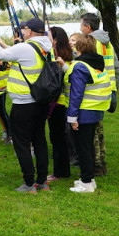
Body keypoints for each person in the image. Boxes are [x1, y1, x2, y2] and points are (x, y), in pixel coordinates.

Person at [0, 17, 53, 193]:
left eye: (23, 29)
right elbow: (12, 52)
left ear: (30, 31)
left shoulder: (25, 47)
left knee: (22, 143)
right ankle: (42, 181)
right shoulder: (46, 46)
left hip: (23, 103)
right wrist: (2, 43)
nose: (21, 32)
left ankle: (28, 182)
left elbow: (2, 55)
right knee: (39, 140)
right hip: (40, 102)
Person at [62, 33, 111, 193]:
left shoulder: (80, 66)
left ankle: (86, 182)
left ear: (79, 47)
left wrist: (72, 117)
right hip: (95, 110)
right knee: (88, 146)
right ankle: (89, 178)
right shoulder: (96, 63)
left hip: (83, 112)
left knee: (83, 147)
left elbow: (76, 94)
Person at [80, 12, 119, 177]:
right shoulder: (107, 42)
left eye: (81, 25)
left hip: (94, 89)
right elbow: (115, 65)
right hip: (108, 87)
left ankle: (96, 165)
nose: (80, 29)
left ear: (88, 27)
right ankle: (101, 162)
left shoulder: (92, 43)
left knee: (92, 129)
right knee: (98, 127)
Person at [46, 26, 74, 182]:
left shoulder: (61, 58)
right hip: (59, 102)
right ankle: (63, 170)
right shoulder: (65, 54)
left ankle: (59, 172)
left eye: (49, 37)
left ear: (55, 39)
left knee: (57, 139)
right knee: (58, 138)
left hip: (59, 103)